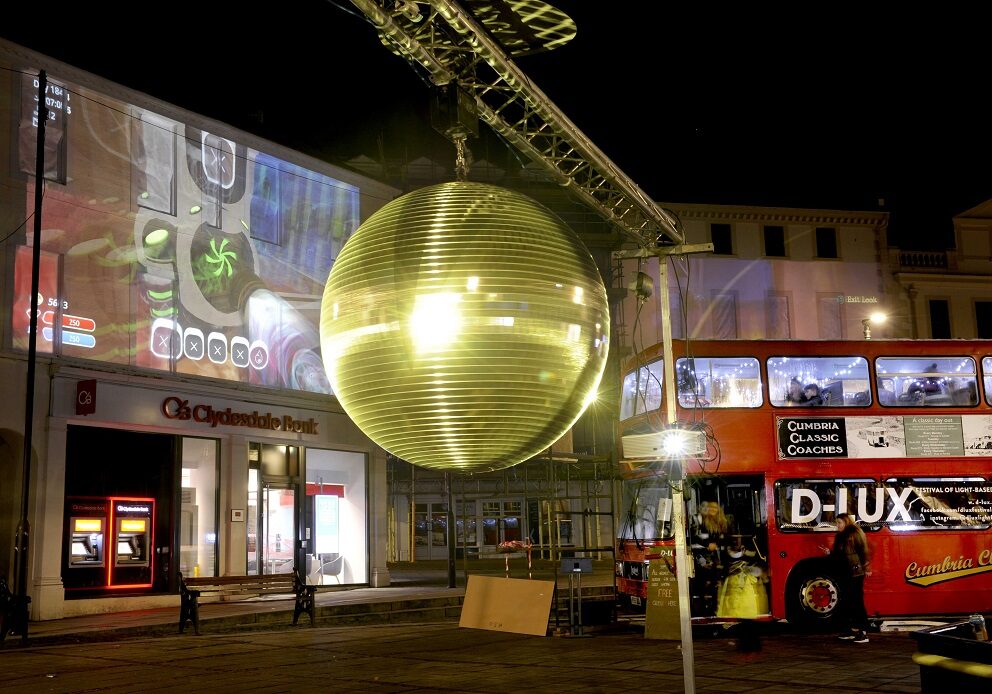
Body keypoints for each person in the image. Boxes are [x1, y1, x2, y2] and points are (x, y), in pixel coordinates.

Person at [828, 513, 872, 643]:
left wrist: (867, 567)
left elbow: (863, 551)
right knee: (846, 602)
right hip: (845, 573)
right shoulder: (841, 536)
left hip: (855, 573)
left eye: (839, 523)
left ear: (846, 522)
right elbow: (840, 555)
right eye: (837, 523)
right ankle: (849, 631)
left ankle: (863, 632)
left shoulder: (854, 533)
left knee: (857, 602)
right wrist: (830, 553)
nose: (837, 526)